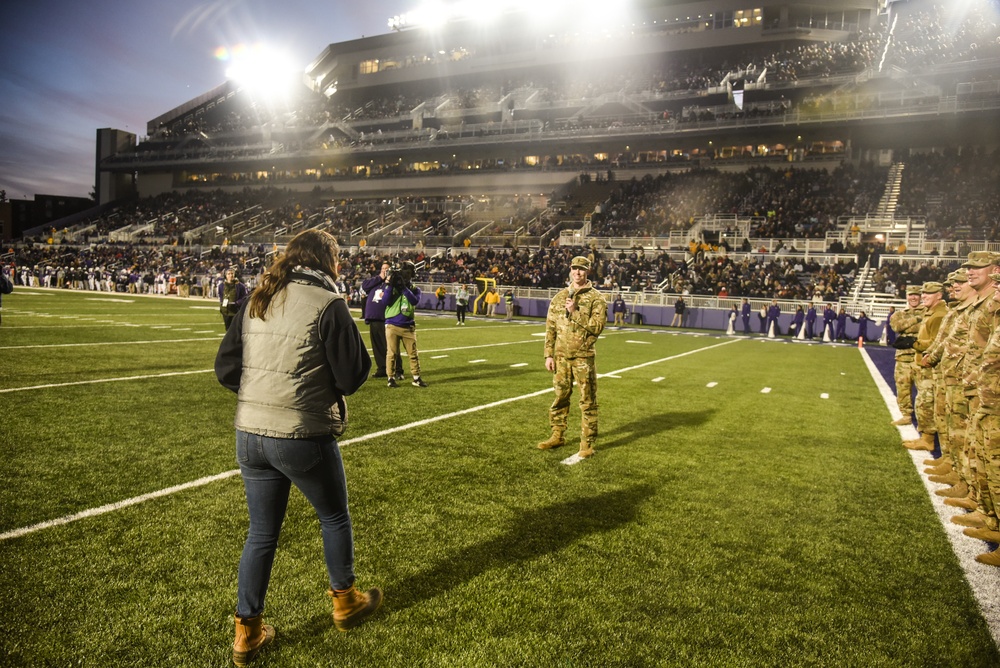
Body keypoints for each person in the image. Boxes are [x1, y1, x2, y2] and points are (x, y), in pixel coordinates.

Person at [214, 229, 380, 666]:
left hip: (249, 433)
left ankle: (246, 632)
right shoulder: (328, 303)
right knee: (334, 517)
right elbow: (351, 376)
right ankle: (345, 603)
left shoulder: (258, 296)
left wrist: (262, 396)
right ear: (327, 260)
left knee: (261, 534)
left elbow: (226, 368)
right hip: (300, 432)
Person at [537, 256, 607, 460]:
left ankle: (587, 443)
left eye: (582, 269)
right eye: (575, 269)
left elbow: (598, 327)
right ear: (570, 270)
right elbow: (550, 328)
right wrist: (548, 354)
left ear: (588, 271)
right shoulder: (559, 297)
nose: (578, 272)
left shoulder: (596, 298)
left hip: (583, 357)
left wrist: (575, 312)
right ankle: (557, 435)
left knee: (587, 401)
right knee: (560, 397)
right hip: (560, 357)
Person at [902, 282, 948, 451]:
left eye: (929, 293)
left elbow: (938, 342)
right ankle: (925, 438)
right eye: (924, 293)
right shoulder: (932, 313)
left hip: (930, 365)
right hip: (923, 363)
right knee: (923, 401)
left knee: (926, 402)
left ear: (939, 295)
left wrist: (914, 343)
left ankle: (928, 440)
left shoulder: (939, 315)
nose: (924, 296)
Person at [384, 261, 428, 388]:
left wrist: (404, 288)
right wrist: (391, 285)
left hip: (408, 326)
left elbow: (414, 301)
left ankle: (416, 377)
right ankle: (390, 378)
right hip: (392, 324)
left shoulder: (415, 289)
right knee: (391, 354)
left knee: (413, 354)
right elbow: (385, 302)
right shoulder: (393, 286)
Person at [889, 286, 924, 425]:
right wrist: (917, 319)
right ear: (907, 296)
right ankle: (906, 415)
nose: (914, 297)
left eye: (916, 295)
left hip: (921, 356)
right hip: (903, 357)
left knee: (925, 390)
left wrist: (907, 325)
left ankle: (924, 419)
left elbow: (927, 327)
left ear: (920, 296)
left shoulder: (928, 311)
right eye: (911, 295)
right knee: (903, 388)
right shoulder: (898, 314)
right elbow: (897, 327)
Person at [361, 262, 392, 378]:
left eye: (386, 269)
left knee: (389, 346)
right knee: (377, 346)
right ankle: (382, 368)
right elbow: (364, 286)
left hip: (385, 318)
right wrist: (380, 278)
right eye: (383, 268)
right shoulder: (376, 281)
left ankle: (396, 369)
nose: (384, 270)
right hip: (373, 318)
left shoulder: (391, 283)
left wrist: (388, 280)